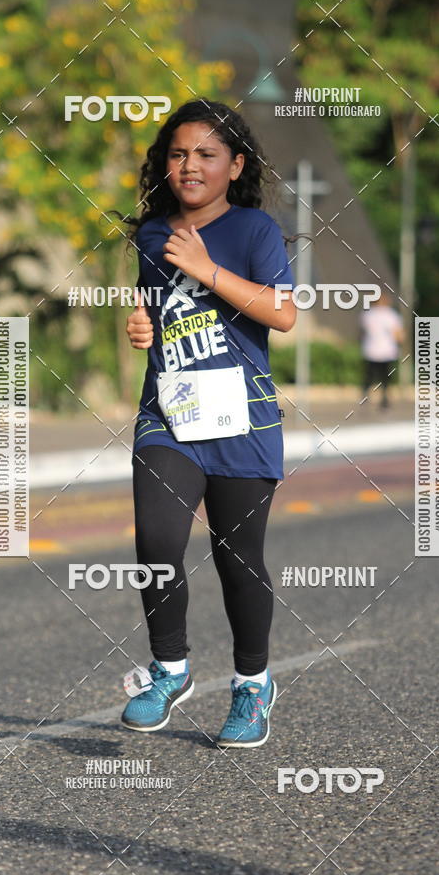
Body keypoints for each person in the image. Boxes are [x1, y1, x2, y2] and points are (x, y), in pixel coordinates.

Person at [119, 99, 296, 748]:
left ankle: (253, 684)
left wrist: (206, 269)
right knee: (156, 541)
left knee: (236, 558)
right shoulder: (150, 235)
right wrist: (140, 325)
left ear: (235, 165)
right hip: (169, 413)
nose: (189, 165)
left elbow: (281, 314)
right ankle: (170, 669)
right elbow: (154, 311)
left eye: (206, 155)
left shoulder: (254, 231)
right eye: (178, 153)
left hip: (242, 419)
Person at [360, 290, 404, 409]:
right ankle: (384, 399)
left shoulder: (367, 314)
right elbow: (398, 334)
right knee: (385, 377)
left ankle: (365, 397)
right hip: (386, 351)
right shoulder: (391, 315)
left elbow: (363, 332)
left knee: (369, 376)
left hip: (370, 350)